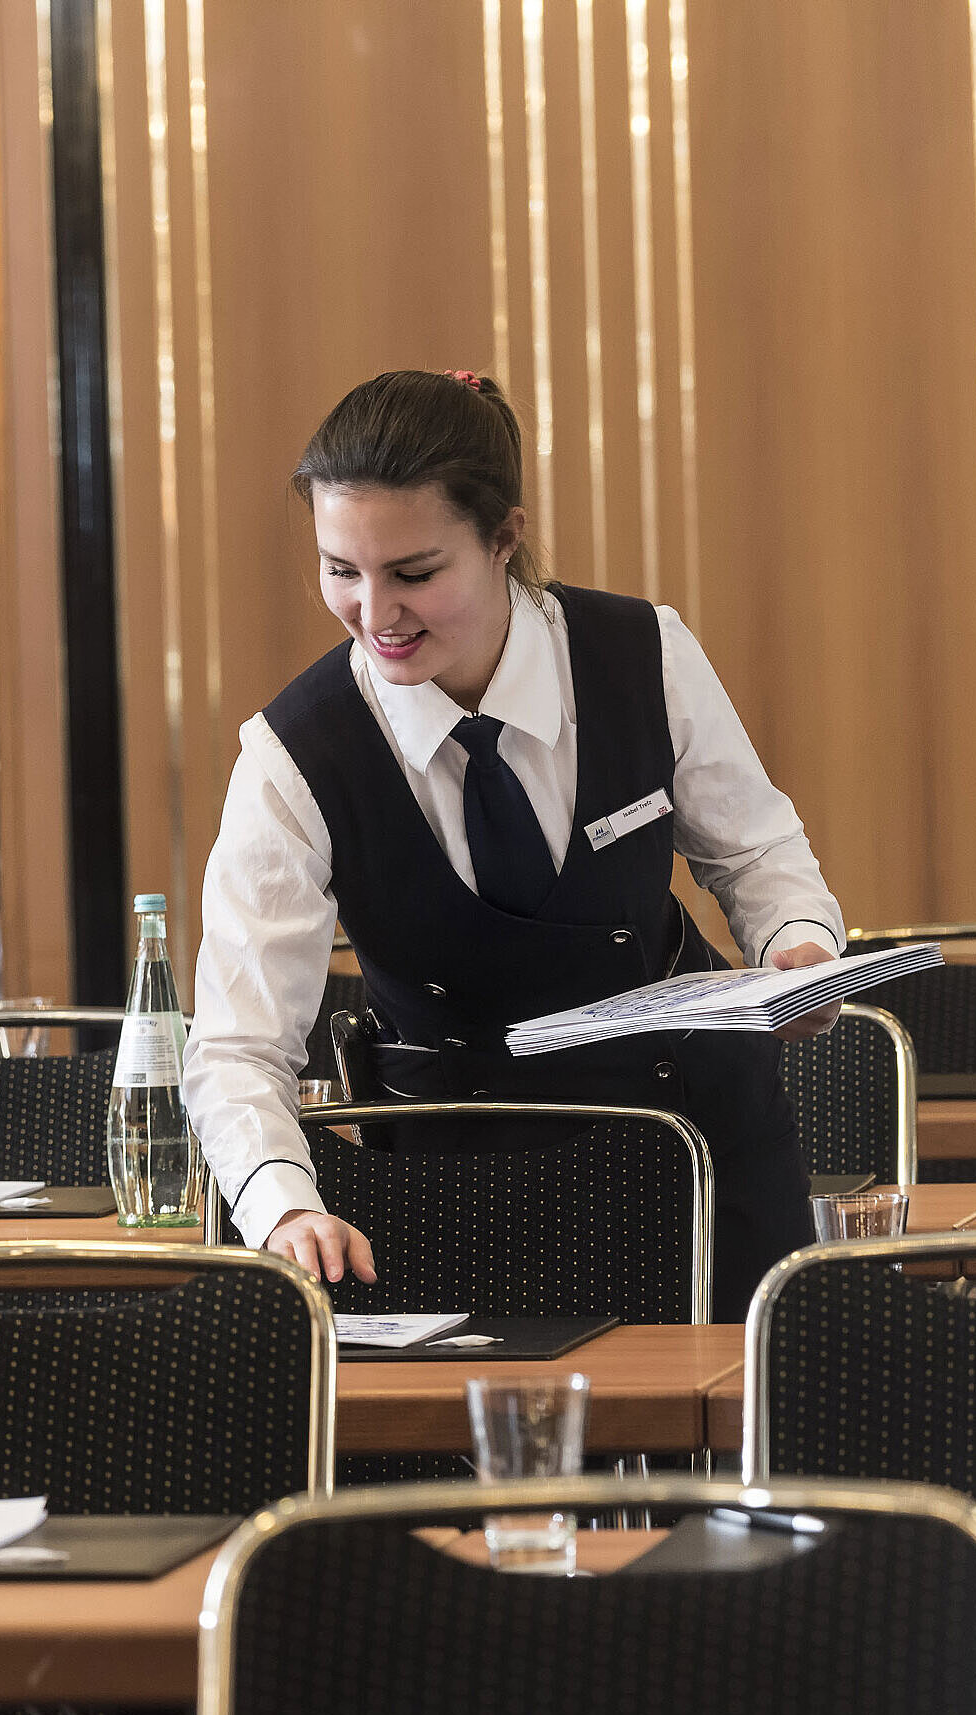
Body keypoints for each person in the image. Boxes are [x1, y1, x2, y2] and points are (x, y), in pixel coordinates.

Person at [183, 369, 842, 1321]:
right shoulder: (295, 751)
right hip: (458, 1181)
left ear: (503, 538)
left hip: (695, 1147)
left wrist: (795, 946)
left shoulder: (638, 653)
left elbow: (753, 851)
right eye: (340, 570)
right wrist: (282, 1204)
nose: (375, 614)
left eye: (413, 573)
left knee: (735, 1454)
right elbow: (239, 1043)